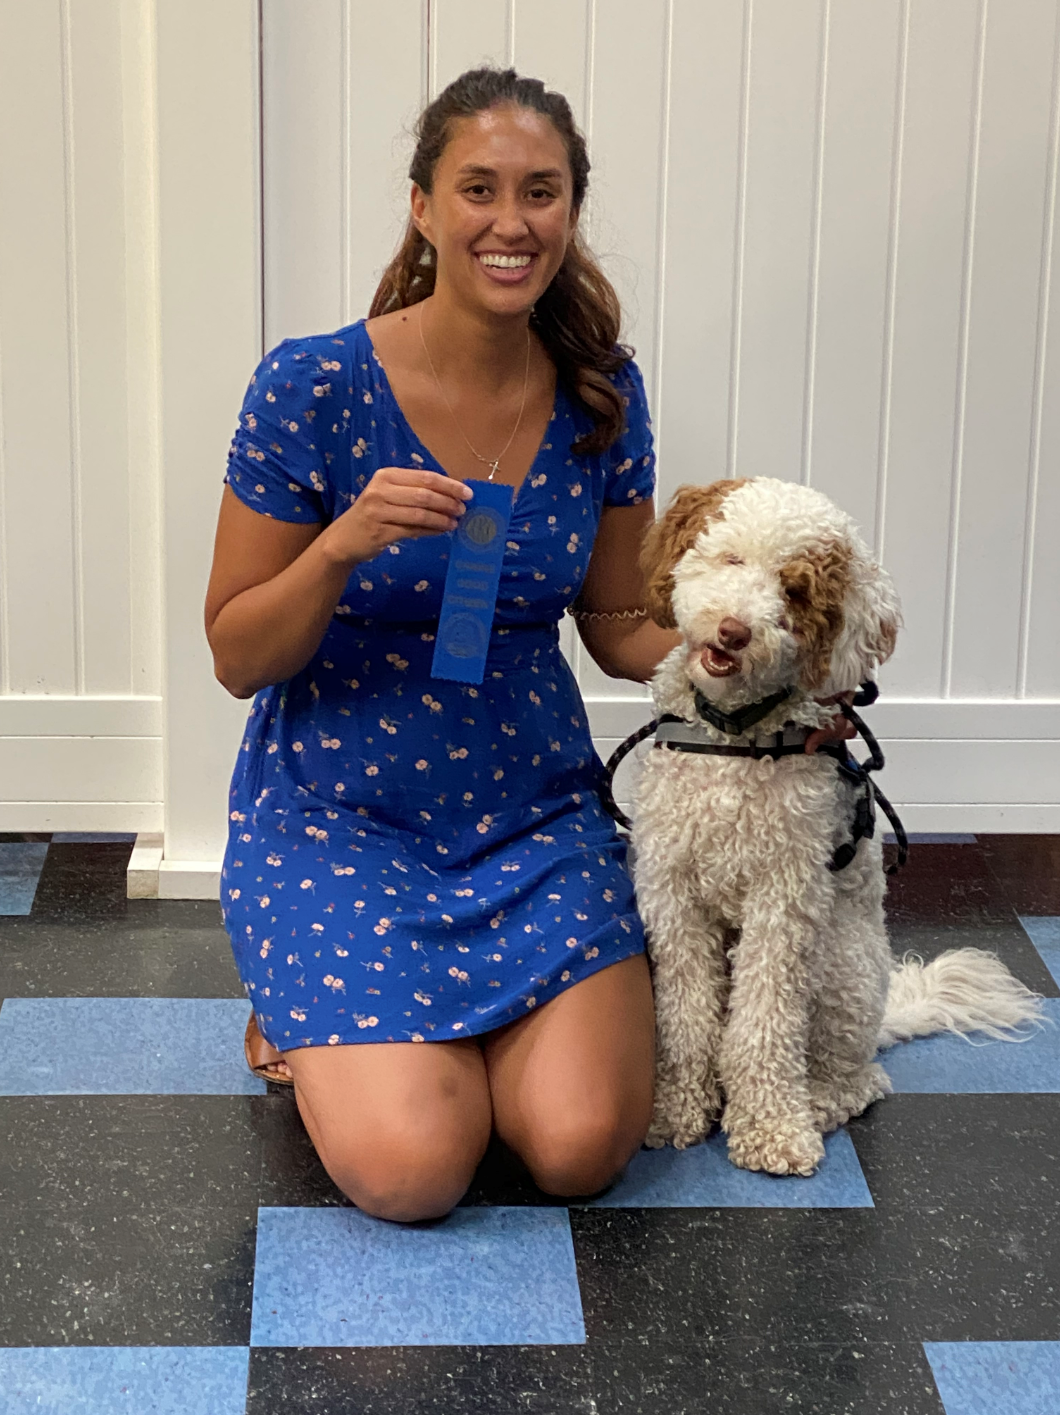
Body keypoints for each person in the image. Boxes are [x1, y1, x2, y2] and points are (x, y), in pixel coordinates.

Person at [205, 66, 849, 1223]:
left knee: (578, 1145)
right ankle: (311, 997)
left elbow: (613, 624)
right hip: (342, 807)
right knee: (413, 1171)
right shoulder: (310, 383)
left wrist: (773, 670)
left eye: (540, 192)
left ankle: (440, 1024)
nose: (511, 222)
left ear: (569, 211)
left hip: (525, 807)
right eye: (479, 189)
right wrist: (339, 546)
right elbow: (237, 652)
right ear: (422, 207)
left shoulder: (601, 393)